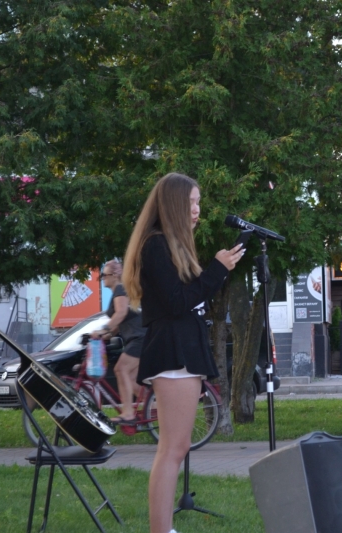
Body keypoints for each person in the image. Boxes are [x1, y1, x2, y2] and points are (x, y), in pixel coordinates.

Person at [122, 173, 244, 533]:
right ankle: (161, 530)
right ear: (174, 204)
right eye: (191, 203)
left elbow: (186, 300)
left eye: (198, 203)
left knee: (177, 447)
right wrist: (217, 270)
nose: (197, 211)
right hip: (173, 352)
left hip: (181, 350)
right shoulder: (156, 245)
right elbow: (178, 303)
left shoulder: (169, 245)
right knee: (172, 450)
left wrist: (215, 273)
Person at [93, 259, 146, 424]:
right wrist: (106, 335)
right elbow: (121, 322)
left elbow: (121, 313)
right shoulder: (119, 291)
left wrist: (103, 330)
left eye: (104, 274)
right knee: (130, 379)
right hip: (137, 337)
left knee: (120, 369)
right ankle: (157, 402)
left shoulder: (121, 289)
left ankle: (128, 413)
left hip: (140, 338)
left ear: (115, 275)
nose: (102, 278)